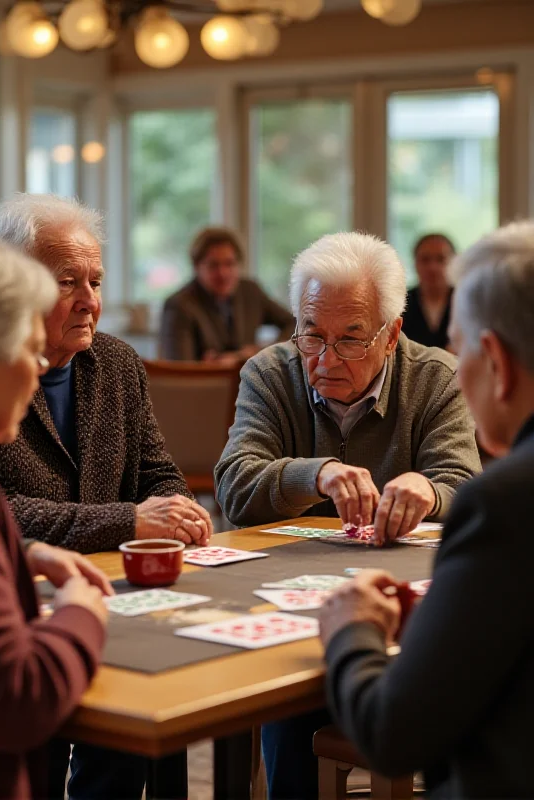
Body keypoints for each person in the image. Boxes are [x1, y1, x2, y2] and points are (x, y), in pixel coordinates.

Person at [214, 231, 481, 799]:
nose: (326, 359)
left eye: (351, 340)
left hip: (404, 613)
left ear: (392, 336)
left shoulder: (435, 376)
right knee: (287, 699)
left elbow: (465, 486)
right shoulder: (271, 372)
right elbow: (235, 489)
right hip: (287, 601)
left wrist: (427, 492)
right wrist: (314, 473)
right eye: (313, 335)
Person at [0, 194, 211, 800]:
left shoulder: (115, 363)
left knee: (128, 745)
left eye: (96, 280)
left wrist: (177, 510)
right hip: (14, 617)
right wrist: (129, 518)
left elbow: (159, 474)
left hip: (113, 604)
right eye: (67, 282)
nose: (90, 301)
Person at [320, 219, 534, 799]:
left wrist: (352, 629)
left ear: (498, 362)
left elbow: (393, 734)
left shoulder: (504, 503)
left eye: (460, 350)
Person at [0, 225, 112, 800]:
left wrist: (22, 551)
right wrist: (80, 613)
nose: (40, 370)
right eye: (31, 351)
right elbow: (12, 700)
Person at [159, 226, 294, 363]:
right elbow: (180, 369)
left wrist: (261, 351)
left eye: (229, 264)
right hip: (206, 382)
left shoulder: (250, 291)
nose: (223, 273)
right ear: (196, 267)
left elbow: (294, 323)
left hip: (250, 381)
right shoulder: (179, 305)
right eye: (213, 265)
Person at [402, 232, 455, 349]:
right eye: (425, 259)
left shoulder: (466, 302)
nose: (432, 267)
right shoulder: (401, 303)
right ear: (415, 263)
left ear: (454, 263)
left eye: (440, 259)